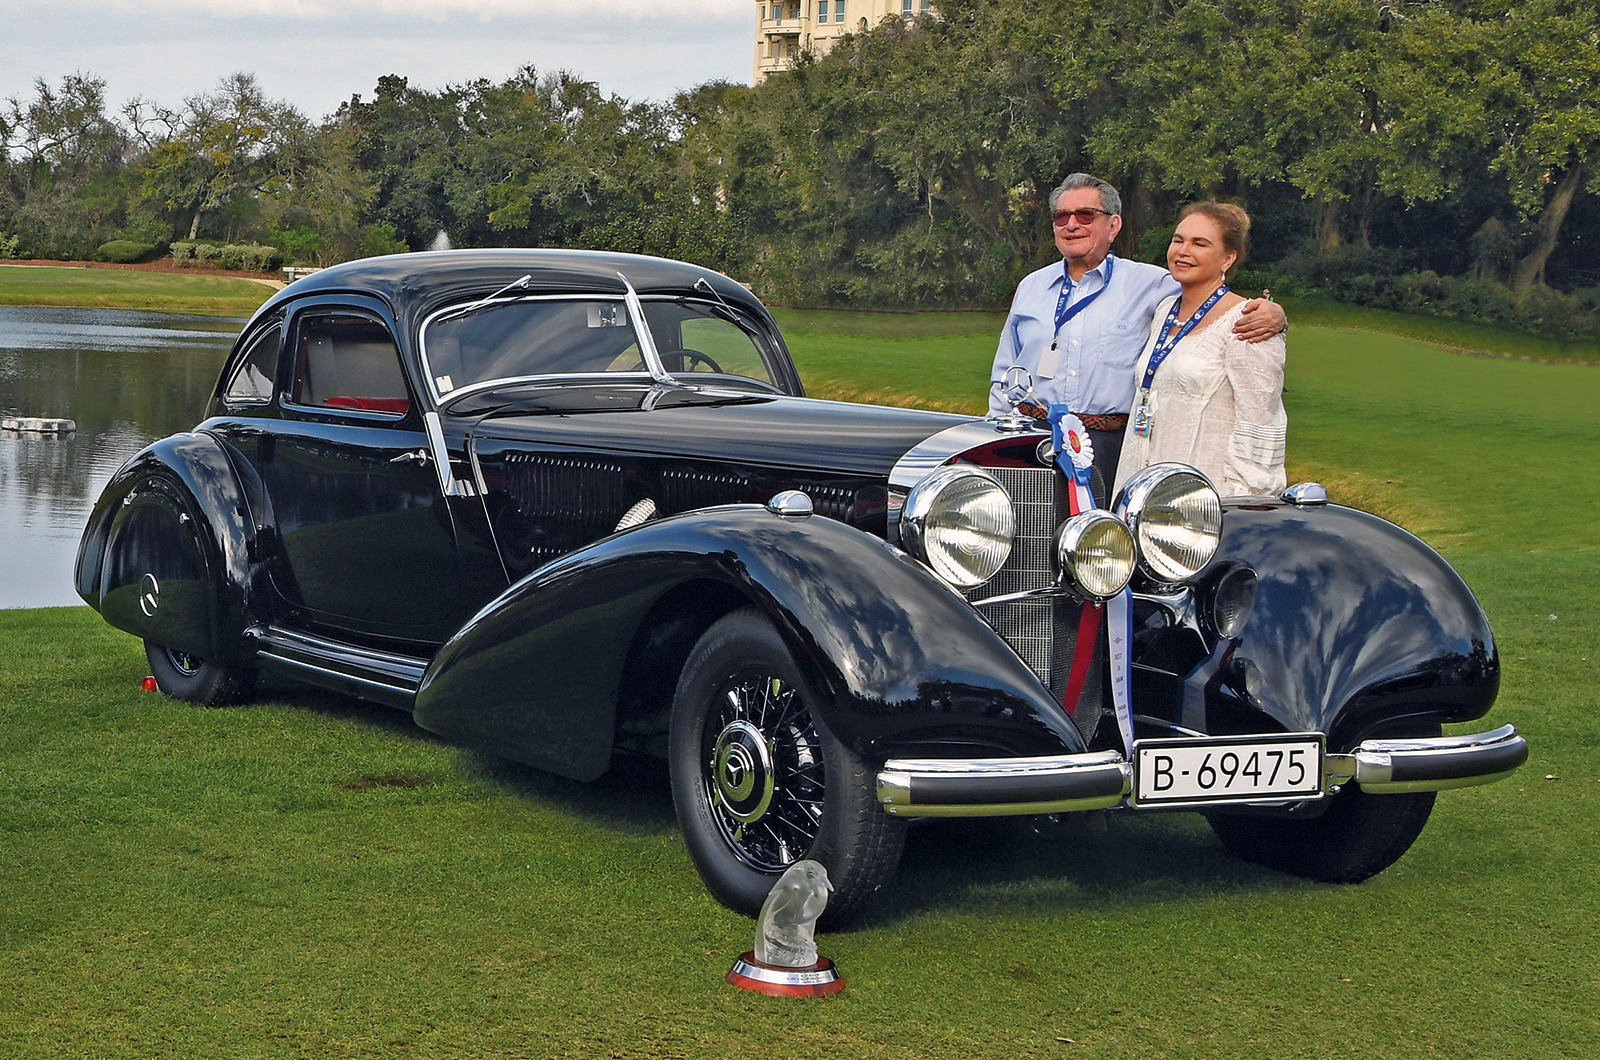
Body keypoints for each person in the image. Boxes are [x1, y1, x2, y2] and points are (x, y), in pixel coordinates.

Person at [988, 173, 1286, 491]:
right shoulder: (1031, 287)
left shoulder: (1153, 286)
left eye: (1085, 214)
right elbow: (1005, 369)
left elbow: (1213, 297)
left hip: (1106, 444)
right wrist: (995, 432)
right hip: (1030, 437)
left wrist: (1276, 316)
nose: (1071, 224)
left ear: (1113, 225)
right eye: (1062, 216)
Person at [1112, 201, 1287, 498]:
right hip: (1142, 483)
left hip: (1203, 497)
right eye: (1178, 240)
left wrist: (1245, 501)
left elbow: (1260, 422)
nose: (1183, 251)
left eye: (1200, 243)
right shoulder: (1165, 310)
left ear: (1228, 259)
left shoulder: (1249, 321)